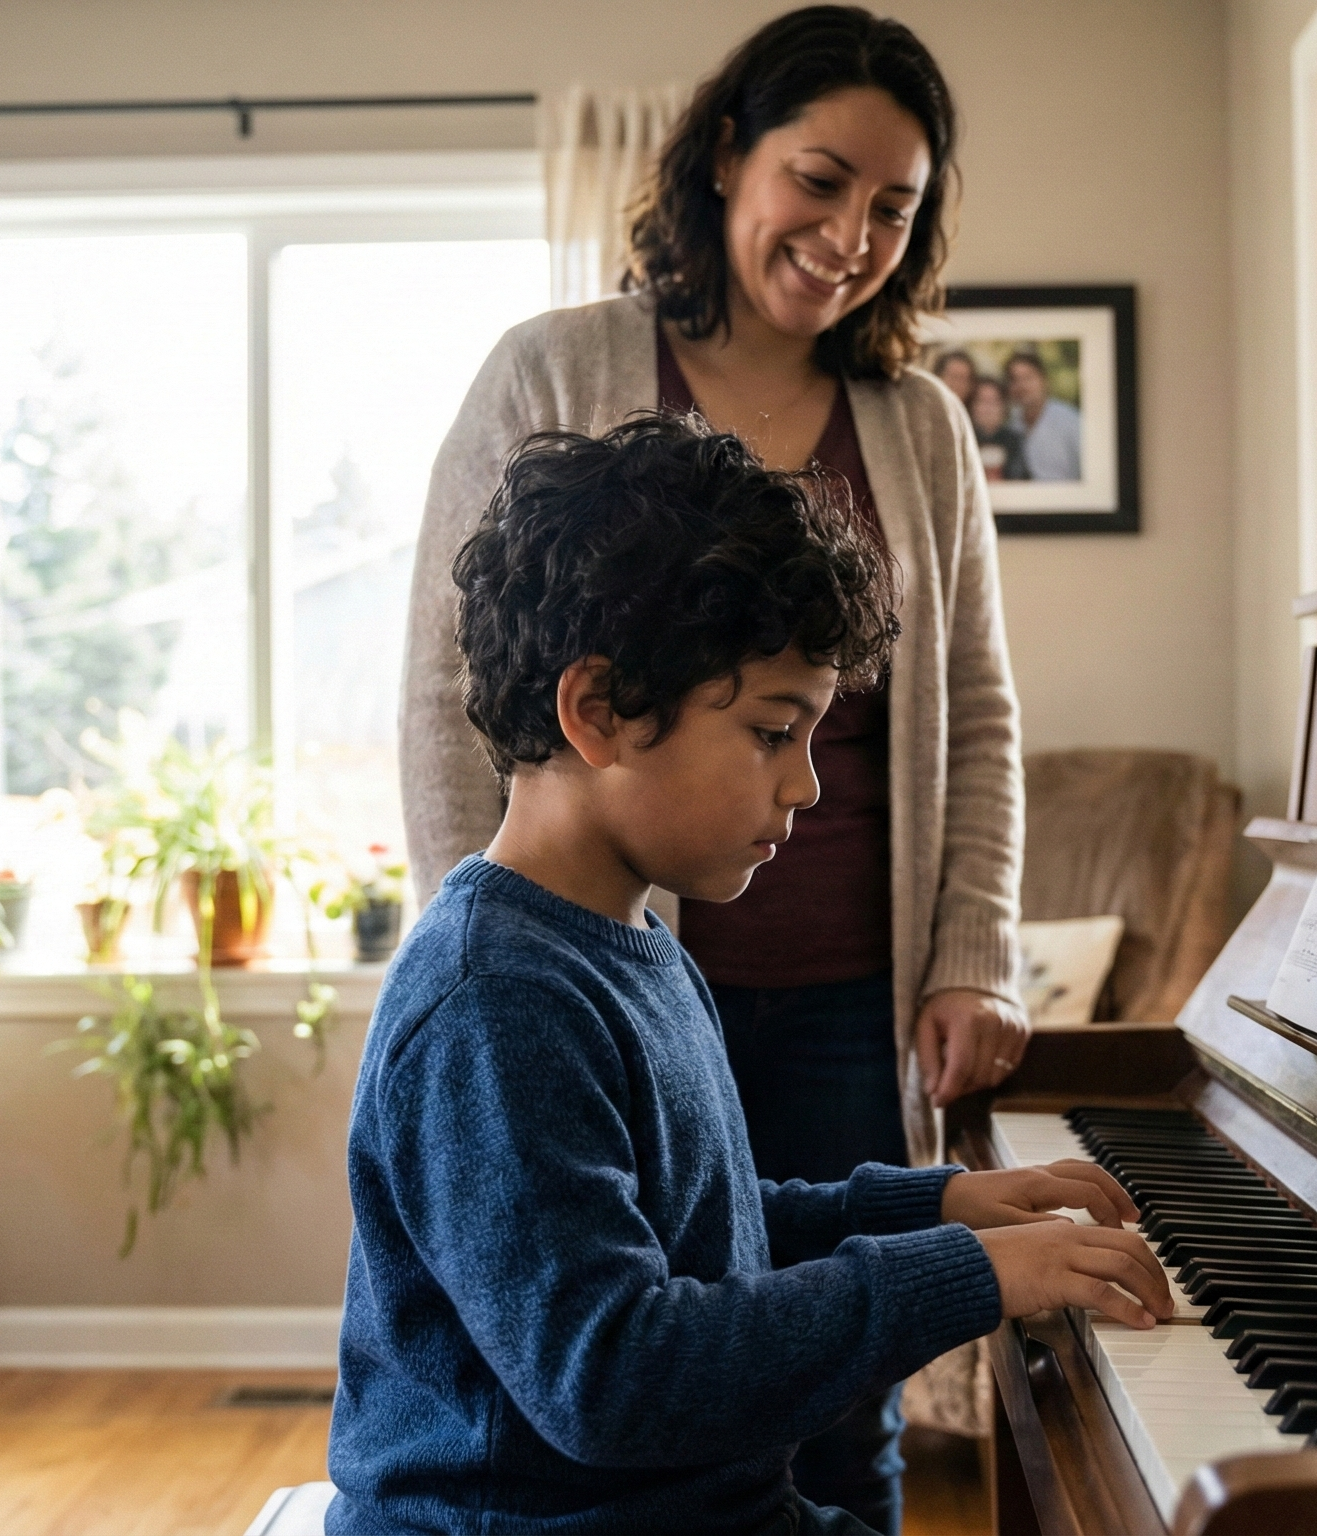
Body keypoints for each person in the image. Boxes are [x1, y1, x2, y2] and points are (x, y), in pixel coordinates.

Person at [400, 11, 1031, 1528]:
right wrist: (512, 934)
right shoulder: (557, 365)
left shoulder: (920, 425)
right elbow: (448, 692)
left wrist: (971, 955)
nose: (853, 234)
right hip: (602, 941)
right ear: (728, 155)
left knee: (827, 1409)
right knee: (650, 1368)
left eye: (896, 207)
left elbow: (982, 708)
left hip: (837, 986)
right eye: (822, 180)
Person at [335, 416, 1171, 1536]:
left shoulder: (628, 946)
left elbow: (704, 1231)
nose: (808, 789)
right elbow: (614, 1375)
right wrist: (969, 1279)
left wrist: (938, 1207)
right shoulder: (494, 1001)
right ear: (598, 712)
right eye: (775, 732)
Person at [1004, 350, 1081, 481]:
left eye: (1028, 378)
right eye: (1015, 379)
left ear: (1044, 381)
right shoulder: (1010, 423)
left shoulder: (1072, 421)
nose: (1021, 386)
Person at [967, 378, 1022, 479]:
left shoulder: (1014, 440)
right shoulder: (963, 440)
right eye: (982, 401)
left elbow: (1019, 476)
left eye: (994, 401)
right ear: (972, 406)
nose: (988, 408)